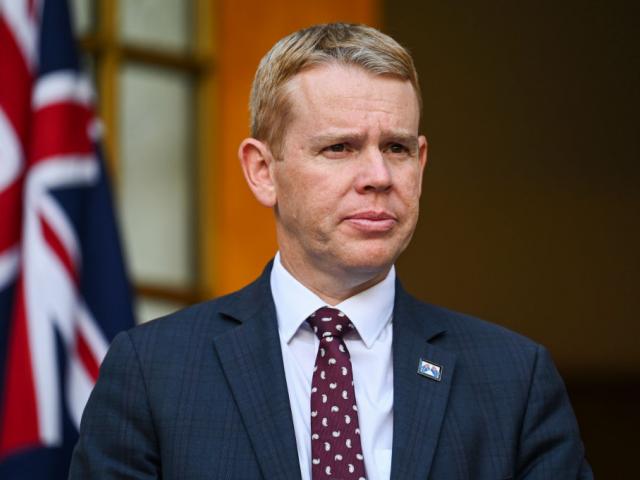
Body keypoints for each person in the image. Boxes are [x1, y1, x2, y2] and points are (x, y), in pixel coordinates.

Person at [69, 23, 592, 479]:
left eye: (397, 148)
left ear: (421, 160)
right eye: (339, 148)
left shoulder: (513, 380)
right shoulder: (154, 371)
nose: (379, 177)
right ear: (262, 171)